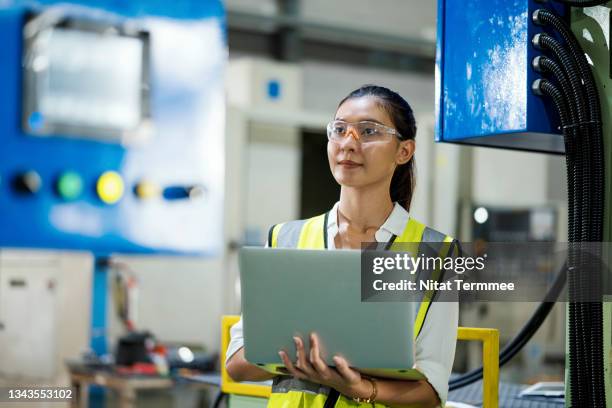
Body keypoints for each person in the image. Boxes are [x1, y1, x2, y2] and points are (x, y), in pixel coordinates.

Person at [226, 85, 458, 408]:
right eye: (339, 130)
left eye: (367, 131)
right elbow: (237, 362)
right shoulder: (284, 240)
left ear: (403, 152)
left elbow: (432, 392)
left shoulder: (436, 254)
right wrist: (306, 359)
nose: (348, 143)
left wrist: (359, 386)